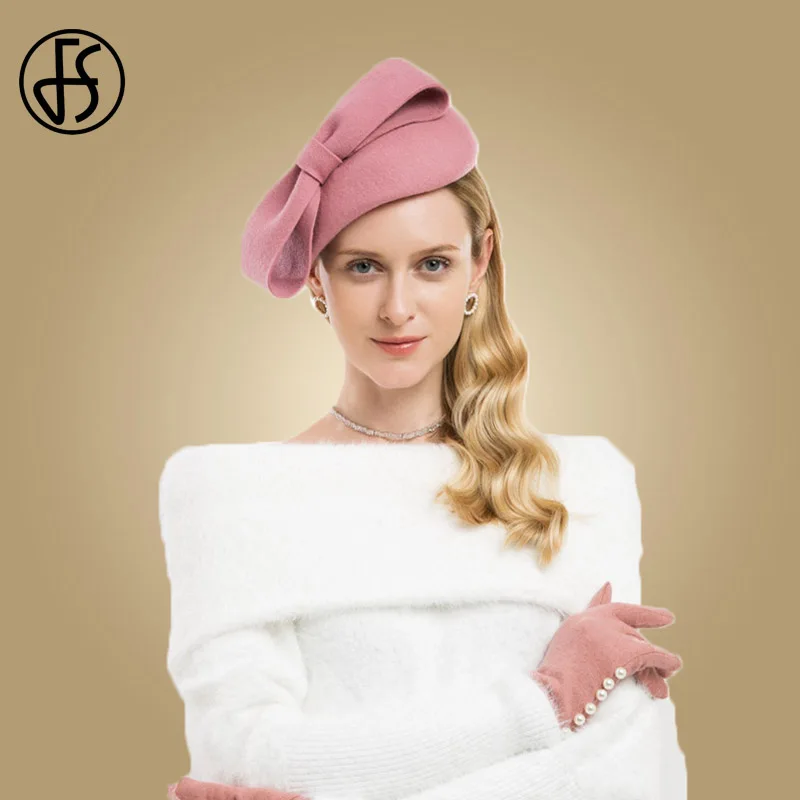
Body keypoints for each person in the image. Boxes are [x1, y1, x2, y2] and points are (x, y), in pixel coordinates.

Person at [160, 57, 687, 800]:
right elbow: (251, 766)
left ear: (480, 262)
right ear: (316, 277)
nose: (398, 308)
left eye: (432, 264)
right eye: (364, 267)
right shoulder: (234, 497)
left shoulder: (581, 486)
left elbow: (630, 773)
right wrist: (544, 704)